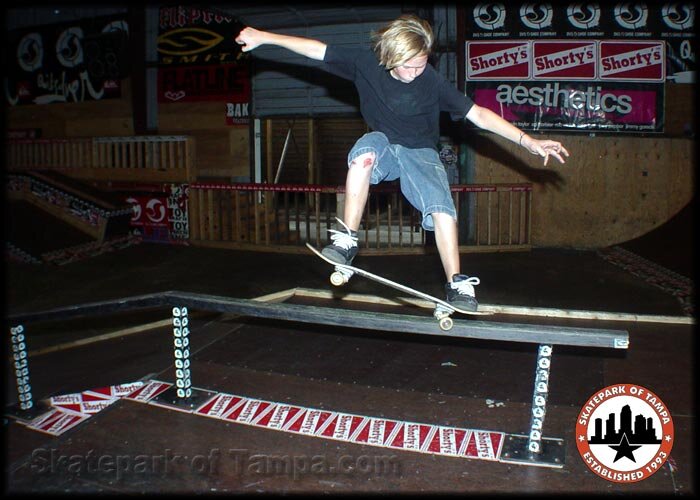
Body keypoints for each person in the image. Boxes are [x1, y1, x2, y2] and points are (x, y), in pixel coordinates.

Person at [235, 15, 569, 311]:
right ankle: (348, 238)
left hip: (421, 151)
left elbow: (478, 114)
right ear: (388, 57)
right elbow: (317, 50)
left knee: (441, 208)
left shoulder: (432, 81)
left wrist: (528, 140)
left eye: (420, 64)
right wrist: (265, 37)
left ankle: (457, 283)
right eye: (407, 66)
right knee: (362, 156)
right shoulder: (365, 63)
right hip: (383, 141)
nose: (413, 73)